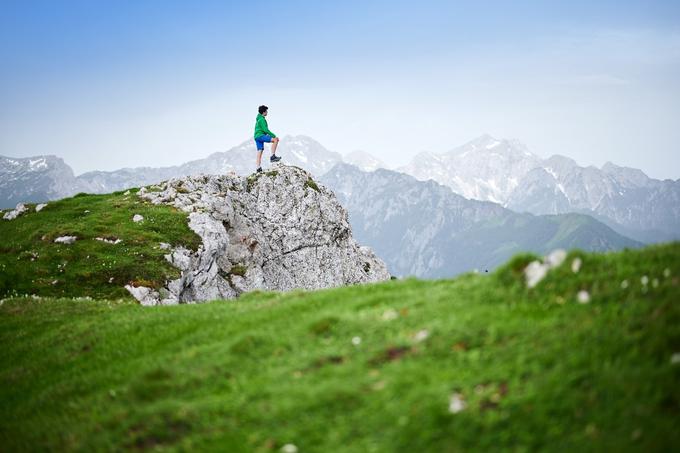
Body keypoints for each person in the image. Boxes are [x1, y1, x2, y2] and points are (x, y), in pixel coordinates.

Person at [254, 105, 281, 173]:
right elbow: (265, 130)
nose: (267, 112)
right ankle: (272, 156)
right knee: (275, 140)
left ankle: (258, 168)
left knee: (260, 151)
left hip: (256, 137)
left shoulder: (258, 119)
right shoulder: (262, 119)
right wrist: (274, 136)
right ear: (263, 112)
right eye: (266, 111)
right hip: (260, 135)